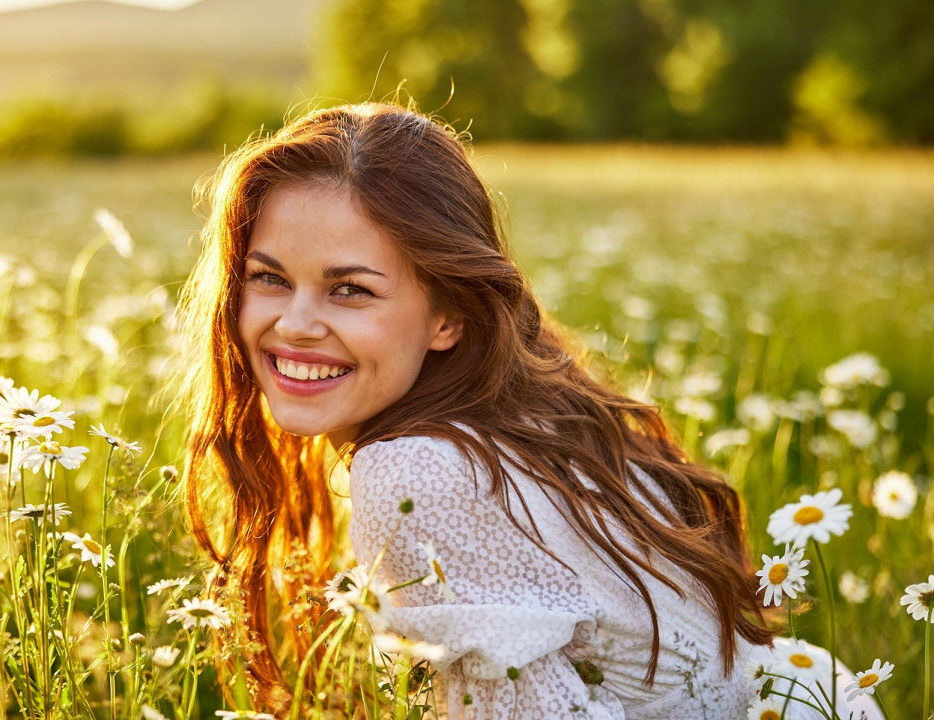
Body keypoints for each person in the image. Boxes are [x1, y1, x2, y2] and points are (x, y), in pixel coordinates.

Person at [178, 102, 883, 718]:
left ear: (449, 316)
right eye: (269, 278)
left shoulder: (417, 471)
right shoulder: (523, 415)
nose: (296, 324)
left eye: (350, 290)